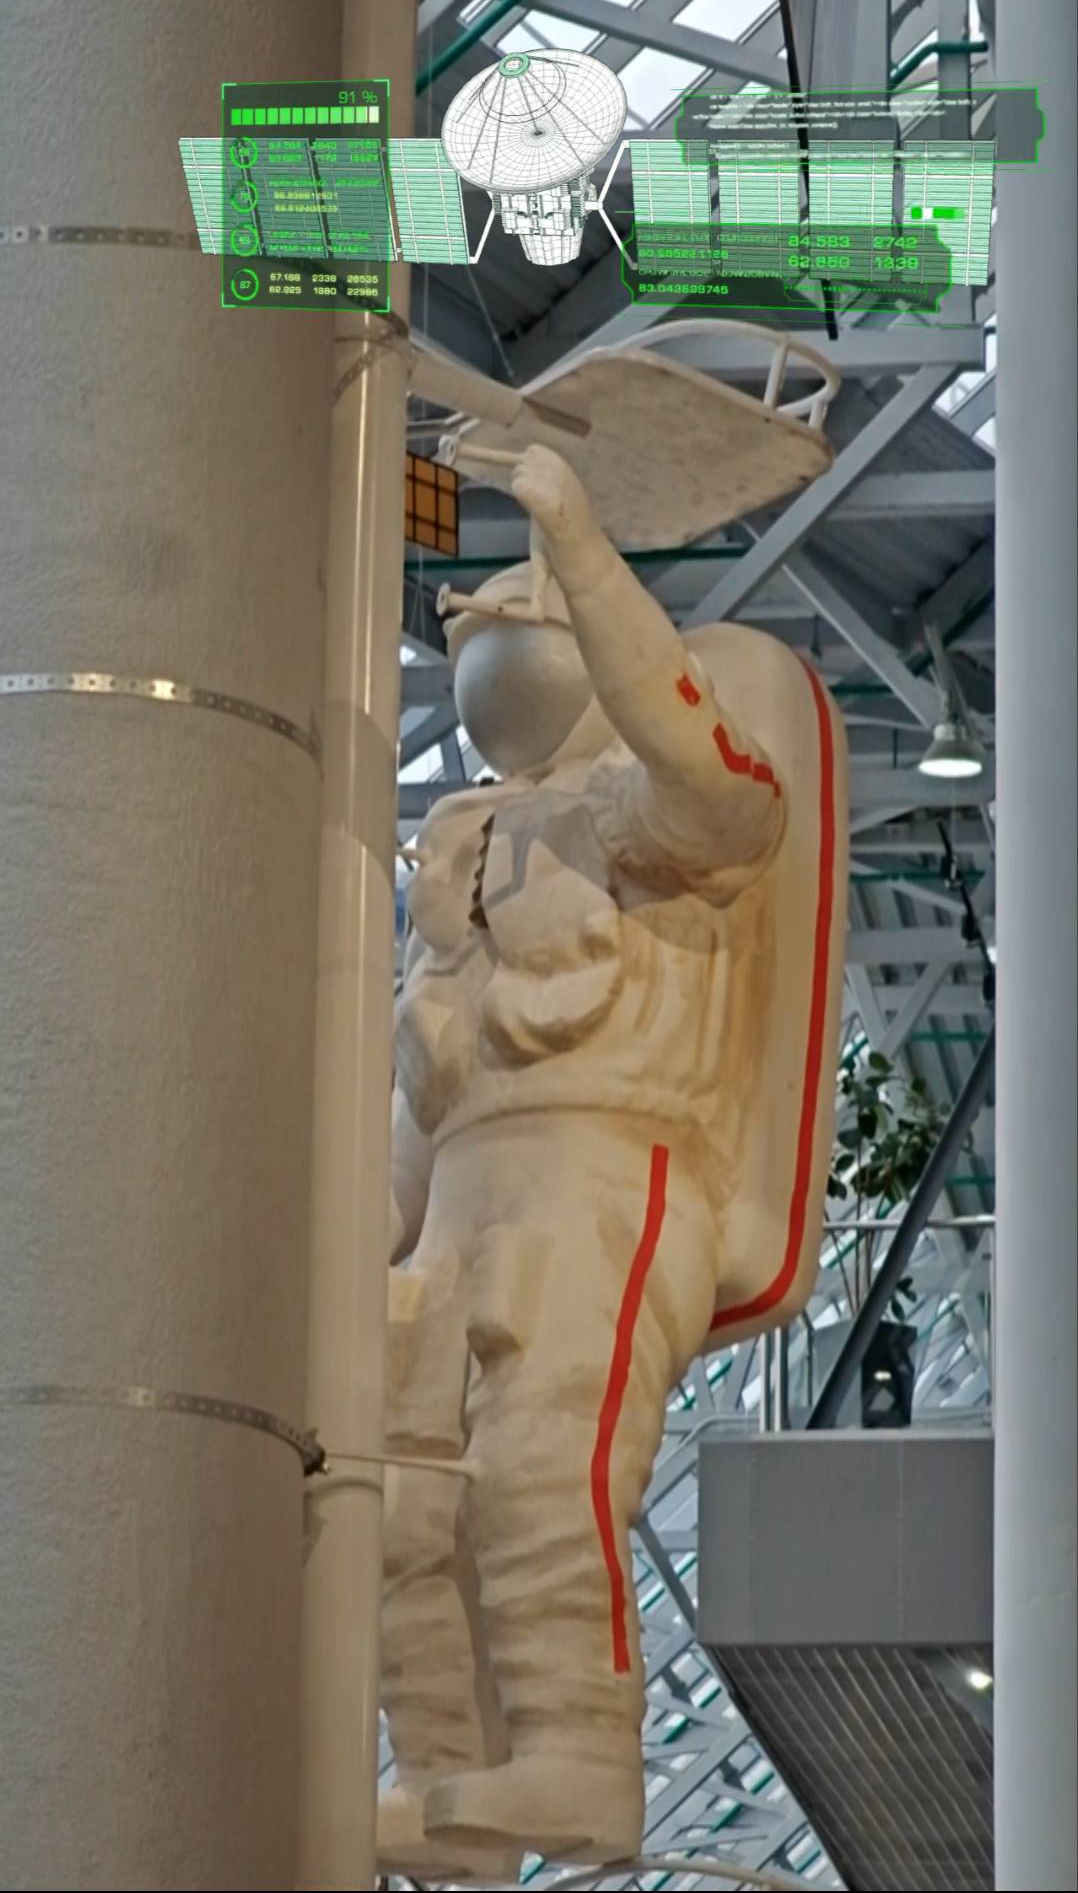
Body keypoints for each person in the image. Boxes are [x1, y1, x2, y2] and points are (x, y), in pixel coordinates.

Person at [379, 443, 843, 1877]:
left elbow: (703, 773)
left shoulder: (665, 804)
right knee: (405, 1495)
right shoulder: (463, 847)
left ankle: (578, 1752)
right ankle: (443, 1772)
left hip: (606, 1167)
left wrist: (577, 542)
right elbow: (418, 1108)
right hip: (461, 1200)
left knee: (541, 1457)